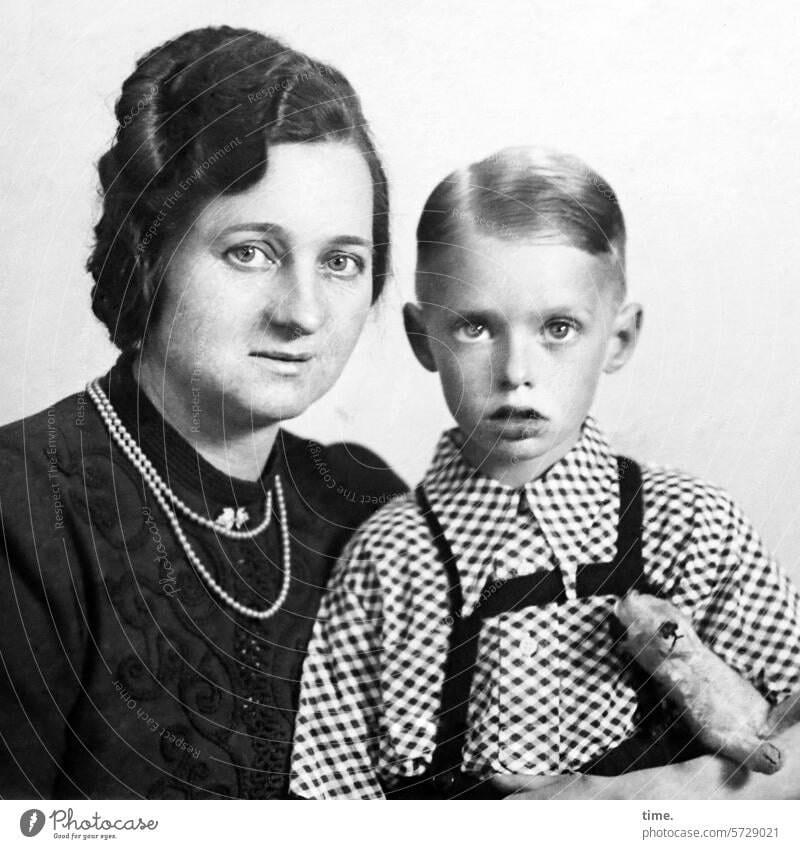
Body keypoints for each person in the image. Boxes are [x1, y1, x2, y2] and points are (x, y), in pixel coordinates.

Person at [289, 146, 800, 799]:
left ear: (618, 338)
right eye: (476, 327)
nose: (516, 371)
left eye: (558, 326)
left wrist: (628, 797)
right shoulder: (384, 565)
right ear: (423, 338)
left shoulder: (690, 526)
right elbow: (325, 804)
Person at [0, 25, 405, 799]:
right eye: (252, 251)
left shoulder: (362, 503)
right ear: (150, 251)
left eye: (342, 261)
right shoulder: (21, 516)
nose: (303, 312)